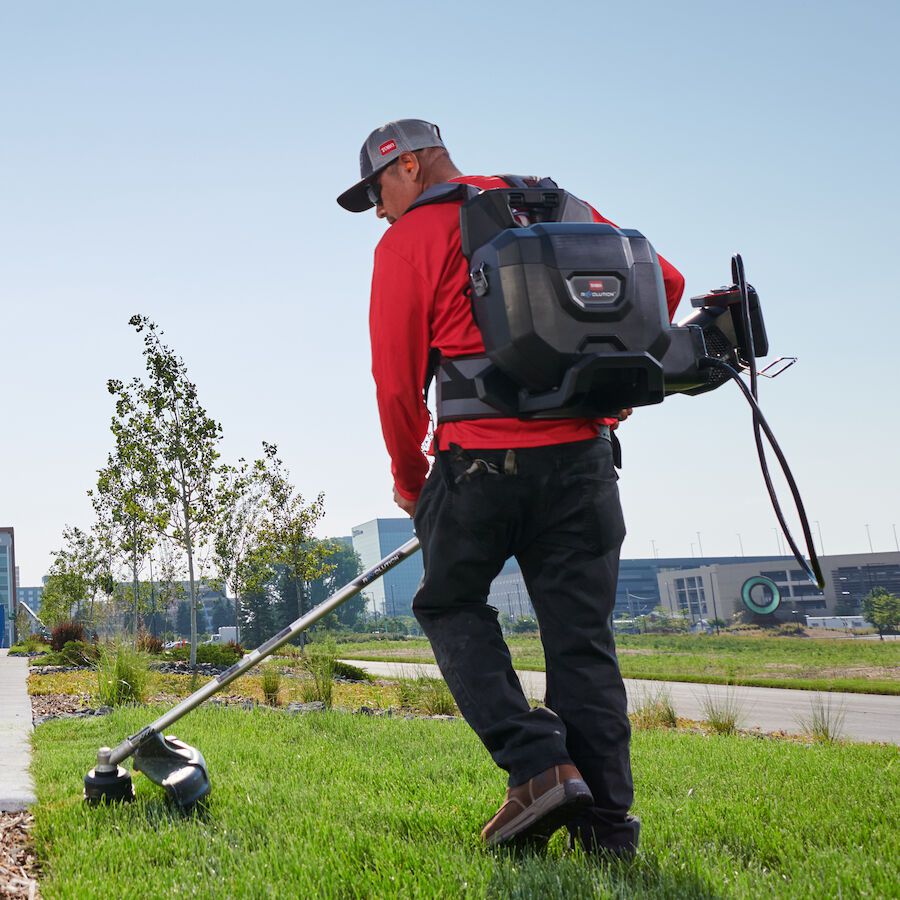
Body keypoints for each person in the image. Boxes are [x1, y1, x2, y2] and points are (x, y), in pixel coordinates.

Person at [337, 119, 684, 856]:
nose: (378, 209)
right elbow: (667, 281)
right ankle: (609, 831)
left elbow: (395, 381)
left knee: (449, 602)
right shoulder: (559, 205)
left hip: (479, 466)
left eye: (378, 188)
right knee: (582, 642)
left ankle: (537, 766)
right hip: (584, 464)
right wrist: (606, 401)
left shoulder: (410, 239)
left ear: (411, 166)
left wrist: (410, 482)